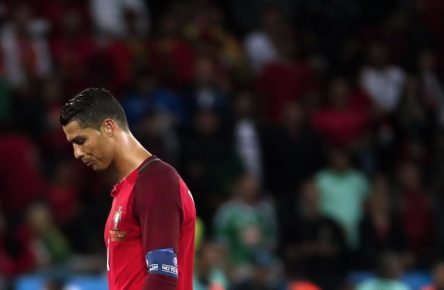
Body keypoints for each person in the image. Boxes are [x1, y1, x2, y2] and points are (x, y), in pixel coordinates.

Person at [59, 88, 196, 290]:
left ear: (108, 127)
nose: (77, 153)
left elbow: (163, 278)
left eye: (81, 141)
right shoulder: (128, 189)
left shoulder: (157, 182)